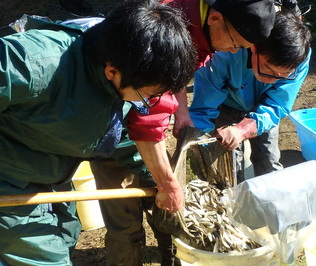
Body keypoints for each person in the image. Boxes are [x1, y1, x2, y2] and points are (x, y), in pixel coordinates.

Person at [0, 1, 196, 265]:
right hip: (11, 185)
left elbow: (113, 134)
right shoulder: (34, 62)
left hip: (54, 176)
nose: (148, 103)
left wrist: (158, 178)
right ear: (112, 71)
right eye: (148, 95)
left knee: (66, 235)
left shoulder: (116, 78)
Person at [90, 0, 278, 265]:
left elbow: (172, 78)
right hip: (106, 126)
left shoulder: (202, 28)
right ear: (214, 19)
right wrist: (168, 183)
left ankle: (171, 256)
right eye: (235, 44)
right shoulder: (172, 27)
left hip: (139, 119)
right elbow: (148, 117)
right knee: (126, 217)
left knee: (165, 204)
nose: (233, 51)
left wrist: (181, 111)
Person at [189, 10, 312, 177]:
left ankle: (272, 199)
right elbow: (202, 110)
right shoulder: (223, 54)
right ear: (254, 47)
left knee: (269, 161)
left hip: (266, 106)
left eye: (282, 75)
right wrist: (204, 142)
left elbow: (278, 105)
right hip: (225, 106)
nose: (272, 80)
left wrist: (242, 130)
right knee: (229, 168)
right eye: (268, 69)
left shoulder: (299, 59)